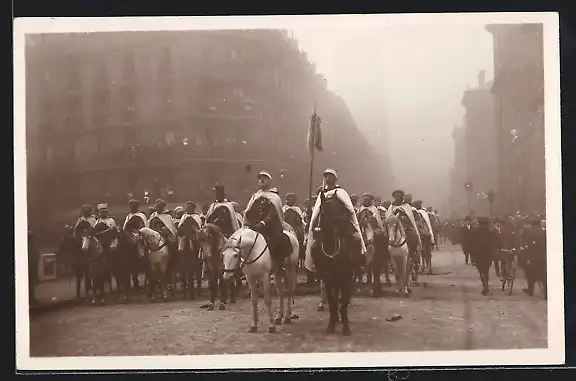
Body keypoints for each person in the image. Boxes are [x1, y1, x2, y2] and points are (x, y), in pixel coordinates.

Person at [304, 169, 366, 273]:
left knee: (356, 240)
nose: (328, 179)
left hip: (342, 224)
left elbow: (349, 210)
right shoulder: (322, 194)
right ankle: (316, 266)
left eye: (331, 176)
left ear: (335, 179)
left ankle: (357, 264)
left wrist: (340, 218)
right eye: (327, 176)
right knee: (314, 245)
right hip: (325, 225)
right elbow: (317, 212)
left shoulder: (341, 192)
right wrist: (313, 219)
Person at [244, 171, 292, 272]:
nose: (261, 180)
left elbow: (273, 212)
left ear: (269, 181)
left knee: (276, 240)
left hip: (270, 227)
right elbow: (249, 211)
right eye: (260, 178)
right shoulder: (255, 196)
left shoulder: (274, 196)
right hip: (255, 226)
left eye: (264, 178)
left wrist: (263, 223)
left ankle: (279, 264)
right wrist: (249, 222)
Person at [385, 190, 422, 279]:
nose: (397, 199)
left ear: (402, 198)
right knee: (385, 237)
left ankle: (413, 253)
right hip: (394, 227)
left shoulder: (407, 207)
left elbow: (412, 219)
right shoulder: (391, 207)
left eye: (399, 197)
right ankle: (387, 258)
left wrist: (404, 218)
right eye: (395, 197)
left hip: (406, 227)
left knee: (412, 235)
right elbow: (388, 218)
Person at [358, 193, 387, 295]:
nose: (366, 202)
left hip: (373, 232)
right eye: (364, 200)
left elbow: (379, 224)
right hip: (362, 232)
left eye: (368, 200)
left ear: (371, 201)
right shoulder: (360, 210)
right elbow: (356, 222)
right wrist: (362, 220)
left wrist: (370, 220)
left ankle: (383, 258)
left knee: (381, 239)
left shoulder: (375, 210)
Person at [470, 217, 500, 295]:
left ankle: (485, 286)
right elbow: (497, 242)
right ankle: (486, 286)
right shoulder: (490, 233)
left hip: (478, 254)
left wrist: (472, 255)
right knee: (486, 270)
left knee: (481, 270)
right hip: (488, 254)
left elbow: (470, 244)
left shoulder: (474, 232)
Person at [521, 217, 547, 297]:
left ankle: (530, 290)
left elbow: (526, 245)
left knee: (530, 274)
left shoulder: (528, 232)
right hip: (542, 257)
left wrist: (527, 257)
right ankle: (546, 292)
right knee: (543, 275)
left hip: (531, 257)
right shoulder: (544, 232)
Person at [413, 200, 435, 274]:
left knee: (427, 252)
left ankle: (428, 267)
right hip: (417, 233)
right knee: (419, 252)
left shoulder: (424, 212)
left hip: (424, 235)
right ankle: (421, 266)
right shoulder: (413, 212)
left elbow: (427, 223)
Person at [28, 230, 40, 307]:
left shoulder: (32, 246)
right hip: (31, 265)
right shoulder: (30, 247)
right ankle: (31, 298)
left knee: (32, 281)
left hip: (33, 264)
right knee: (30, 281)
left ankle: (32, 298)